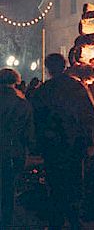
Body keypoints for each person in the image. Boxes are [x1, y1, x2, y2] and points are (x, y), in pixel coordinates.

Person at [31, 53, 94, 229]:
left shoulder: (44, 91)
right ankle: (75, 220)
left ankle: (56, 221)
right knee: (75, 182)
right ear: (64, 66)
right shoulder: (77, 87)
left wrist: (42, 142)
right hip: (75, 145)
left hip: (53, 147)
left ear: (48, 68)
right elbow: (90, 116)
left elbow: (36, 119)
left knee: (55, 183)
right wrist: (89, 141)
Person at [0, 68, 35, 228]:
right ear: (16, 81)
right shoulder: (22, 103)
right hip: (13, 152)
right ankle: (6, 222)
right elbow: (29, 133)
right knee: (8, 188)